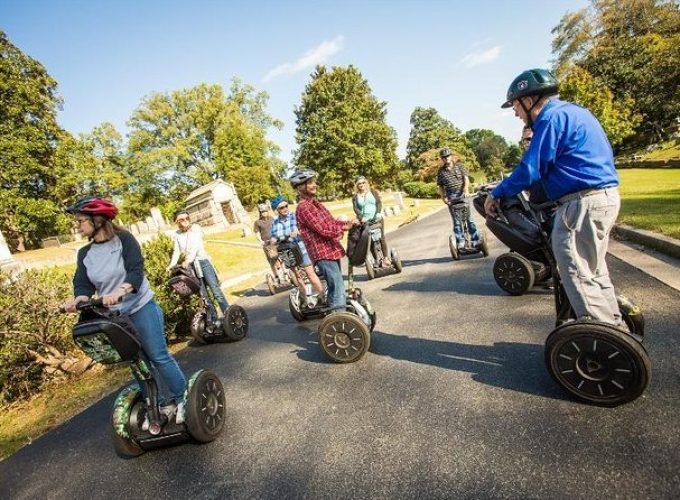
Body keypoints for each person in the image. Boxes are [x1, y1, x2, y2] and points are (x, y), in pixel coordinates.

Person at [484, 68, 621, 326]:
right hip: (604, 197)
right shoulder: (577, 112)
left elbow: (532, 167)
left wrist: (497, 192)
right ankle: (614, 325)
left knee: (575, 271)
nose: (515, 112)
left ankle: (599, 335)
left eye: (515, 105)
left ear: (529, 100)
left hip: (582, 204)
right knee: (594, 271)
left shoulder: (550, 118)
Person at [60, 197, 187, 422]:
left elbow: (135, 270)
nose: (77, 226)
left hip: (140, 306)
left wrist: (121, 290)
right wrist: (77, 299)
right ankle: (157, 406)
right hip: (116, 317)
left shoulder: (124, 240)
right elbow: (83, 283)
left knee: (157, 356)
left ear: (97, 220)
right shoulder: (85, 253)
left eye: (80, 221)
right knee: (137, 362)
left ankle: (182, 398)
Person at [291, 170, 358, 313]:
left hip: (330, 249)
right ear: (300, 187)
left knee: (336, 285)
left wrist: (348, 223)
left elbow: (331, 222)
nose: (314, 185)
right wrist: (341, 230)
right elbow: (322, 229)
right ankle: (339, 321)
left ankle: (338, 317)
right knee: (337, 285)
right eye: (309, 183)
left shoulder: (316, 204)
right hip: (322, 252)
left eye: (313, 182)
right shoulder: (304, 207)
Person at [168, 209, 229, 315]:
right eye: (182, 219)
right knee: (204, 296)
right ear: (177, 222)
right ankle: (214, 321)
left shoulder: (195, 229)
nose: (186, 221)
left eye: (187, 218)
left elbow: (196, 246)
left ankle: (229, 315)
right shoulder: (177, 235)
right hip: (192, 267)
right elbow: (177, 251)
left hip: (203, 263)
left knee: (216, 291)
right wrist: (171, 265)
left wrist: (188, 260)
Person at [269, 194, 325, 306]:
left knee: (310, 273)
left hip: (300, 247)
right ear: (277, 210)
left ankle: (322, 295)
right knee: (297, 275)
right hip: (286, 251)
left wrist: (298, 232)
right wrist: (272, 240)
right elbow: (274, 236)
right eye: (281, 208)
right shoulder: (275, 223)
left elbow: (303, 229)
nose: (285, 209)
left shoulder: (295, 216)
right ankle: (306, 298)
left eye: (285, 206)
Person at [436, 147, 481, 249]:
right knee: (456, 221)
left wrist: (466, 190)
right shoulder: (441, 172)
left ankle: (475, 239)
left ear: (451, 156)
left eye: (448, 156)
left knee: (469, 219)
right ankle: (460, 241)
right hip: (451, 196)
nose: (446, 158)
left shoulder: (460, 166)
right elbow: (441, 186)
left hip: (462, 194)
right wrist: (444, 198)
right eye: (444, 157)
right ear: (442, 159)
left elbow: (466, 178)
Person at [352, 176, 390, 265]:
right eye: (359, 183)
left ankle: (386, 258)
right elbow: (356, 209)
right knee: (370, 240)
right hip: (366, 221)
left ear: (366, 183)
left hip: (377, 219)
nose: (361, 185)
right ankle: (377, 259)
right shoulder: (355, 197)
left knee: (381, 237)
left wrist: (378, 213)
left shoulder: (372, 191)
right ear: (356, 185)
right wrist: (361, 218)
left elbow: (378, 203)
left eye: (363, 183)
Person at [253, 203, 281, 276]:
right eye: (262, 212)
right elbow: (257, 233)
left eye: (265, 211)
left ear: (267, 211)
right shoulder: (257, 222)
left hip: (275, 241)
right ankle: (276, 276)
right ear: (260, 213)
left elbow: (277, 227)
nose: (264, 213)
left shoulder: (272, 218)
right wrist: (260, 241)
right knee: (272, 260)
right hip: (267, 244)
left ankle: (285, 273)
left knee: (280, 258)